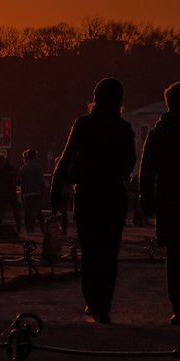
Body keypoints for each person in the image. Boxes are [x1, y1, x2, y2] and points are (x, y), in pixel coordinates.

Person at [51, 77, 136, 324]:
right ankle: (104, 305)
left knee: (90, 250)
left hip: (88, 192)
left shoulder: (83, 124)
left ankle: (92, 300)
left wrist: (57, 189)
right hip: (113, 193)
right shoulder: (124, 128)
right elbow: (129, 162)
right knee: (109, 251)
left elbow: (66, 157)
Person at [139, 81, 180, 324]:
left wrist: (147, 202)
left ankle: (178, 305)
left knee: (175, 257)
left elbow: (146, 171)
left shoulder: (158, 133)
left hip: (169, 202)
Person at [0, 154, 21, 232]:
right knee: (5, 210)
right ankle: (16, 226)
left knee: (5, 210)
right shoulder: (7, 169)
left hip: (6, 192)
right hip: (7, 192)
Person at [19, 148, 47, 233]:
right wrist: (43, 191)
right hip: (35, 192)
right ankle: (43, 230)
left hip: (26, 193)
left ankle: (29, 230)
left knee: (28, 213)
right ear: (34, 156)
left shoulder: (23, 168)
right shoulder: (37, 167)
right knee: (38, 213)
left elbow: (20, 182)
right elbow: (41, 181)